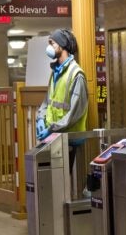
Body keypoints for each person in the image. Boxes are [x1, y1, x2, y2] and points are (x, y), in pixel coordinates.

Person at [36, 29, 88, 172]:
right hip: (55, 138)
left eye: (52, 43)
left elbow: (74, 113)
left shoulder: (76, 74)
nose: (50, 47)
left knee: (65, 184)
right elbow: (47, 101)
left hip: (70, 140)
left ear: (62, 45)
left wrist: (51, 129)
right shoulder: (56, 72)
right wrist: (40, 118)